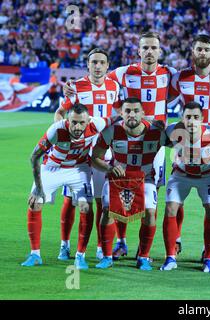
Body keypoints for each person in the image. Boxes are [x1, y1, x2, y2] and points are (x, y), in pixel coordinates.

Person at [64, 32, 176, 261]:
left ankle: (161, 246)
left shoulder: (169, 74)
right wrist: (72, 90)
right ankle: (121, 242)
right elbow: (99, 80)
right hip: (124, 140)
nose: (149, 52)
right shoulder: (123, 73)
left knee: (152, 195)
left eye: (154, 48)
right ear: (138, 50)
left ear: (160, 51)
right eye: (145, 47)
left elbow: (179, 94)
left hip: (154, 143)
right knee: (121, 188)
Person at [21, 103, 114, 270]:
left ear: (88, 121)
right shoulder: (56, 130)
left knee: (86, 207)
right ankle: (35, 254)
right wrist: (38, 187)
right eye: (74, 122)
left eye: (81, 123)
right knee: (35, 202)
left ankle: (80, 256)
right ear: (67, 120)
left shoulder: (97, 124)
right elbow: (34, 157)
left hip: (79, 169)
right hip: (52, 167)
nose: (77, 127)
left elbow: (116, 119)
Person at [168, 34, 210, 260]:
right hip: (185, 141)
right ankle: (174, 241)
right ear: (192, 51)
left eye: (206, 49)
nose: (202, 53)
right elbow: (161, 100)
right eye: (199, 49)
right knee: (177, 194)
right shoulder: (180, 78)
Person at [55, 48, 121, 261]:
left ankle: (101, 246)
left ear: (108, 66)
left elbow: (119, 112)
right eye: (94, 62)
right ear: (88, 65)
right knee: (71, 200)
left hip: (103, 152)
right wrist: (63, 137)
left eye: (102, 62)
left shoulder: (114, 87)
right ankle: (64, 244)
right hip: (79, 153)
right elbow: (60, 113)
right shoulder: (76, 87)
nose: (98, 66)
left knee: (103, 202)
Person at [91, 97, 167, 271]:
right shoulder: (111, 131)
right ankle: (107, 256)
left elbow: (181, 142)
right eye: (127, 111)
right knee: (107, 209)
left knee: (150, 211)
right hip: (119, 179)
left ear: (143, 114)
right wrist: (109, 168)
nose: (131, 114)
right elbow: (95, 157)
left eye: (135, 111)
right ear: (121, 113)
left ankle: (143, 257)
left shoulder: (157, 132)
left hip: (145, 179)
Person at [159, 101, 210, 273]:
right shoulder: (172, 131)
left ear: (202, 119)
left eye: (196, 117)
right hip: (181, 174)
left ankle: (208, 258)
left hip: (207, 176)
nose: (191, 121)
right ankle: (170, 257)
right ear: (182, 118)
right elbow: (159, 141)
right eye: (188, 117)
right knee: (171, 208)